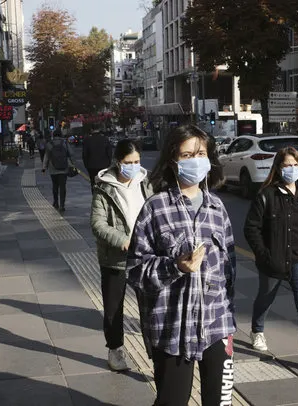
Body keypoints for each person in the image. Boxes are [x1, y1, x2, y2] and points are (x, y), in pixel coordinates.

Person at [127, 125, 236, 406]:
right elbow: (135, 271)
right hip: (172, 329)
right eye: (186, 155)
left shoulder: (218, 209)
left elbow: (229, 271)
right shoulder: (155, 207)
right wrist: (174, 266)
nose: (195, 161)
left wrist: (228, 320)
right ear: (173, 162)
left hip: (217, 326)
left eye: (200, 153)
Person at [244, 147, 298, 372]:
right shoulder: (267, 194)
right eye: (287, 165)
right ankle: (257, 330)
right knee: (266, 297)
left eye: (295, 165)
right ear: (278, 168)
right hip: (275, 260)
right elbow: (252, 228)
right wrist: (265, 255)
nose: (292, 169)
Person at [90, 139, 153, 371]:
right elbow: (97, 223)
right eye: (129, 162)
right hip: (115, 259)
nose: (134, 166)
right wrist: (122, 240)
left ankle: (155, 352)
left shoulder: (145, 183)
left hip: (145, 256)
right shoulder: (104, 187)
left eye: (137, 161)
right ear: (118, 162)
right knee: (114, 308)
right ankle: (115, 350)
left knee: (151, 308)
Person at [42, 130, 73, 213]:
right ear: (61, 135)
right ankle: (62, 205)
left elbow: (46, 157)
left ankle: (56, 202)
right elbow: (71, 153)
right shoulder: (65, 143)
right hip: (64, 169)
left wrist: (44, 167)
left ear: (53, 135)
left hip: (53, 169)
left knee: (55, 186)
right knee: (63, 187)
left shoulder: (49, 144)